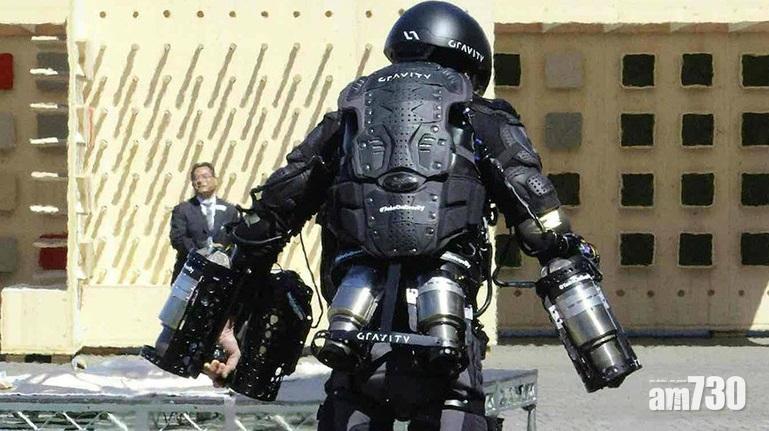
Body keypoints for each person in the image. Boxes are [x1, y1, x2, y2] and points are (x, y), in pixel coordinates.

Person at [204, 2, 640, 429]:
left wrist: (229, 323)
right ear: (469, 60)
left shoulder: (348, 122)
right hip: (445, 342)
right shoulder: (481, 118)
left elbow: (267, 219)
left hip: (353, 337)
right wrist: (570, 260)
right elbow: (539, 218)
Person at [169, 162, 239, 280]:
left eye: (205, 176)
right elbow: (178, 239)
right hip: (190, 273)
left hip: (220, 275)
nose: (200, 181)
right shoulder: (182, 210)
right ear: (192, 183)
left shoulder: (230, 210)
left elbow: (235, 240)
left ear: (215, 180)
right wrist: (203, 253)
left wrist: (223, 258)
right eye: (196, 178)